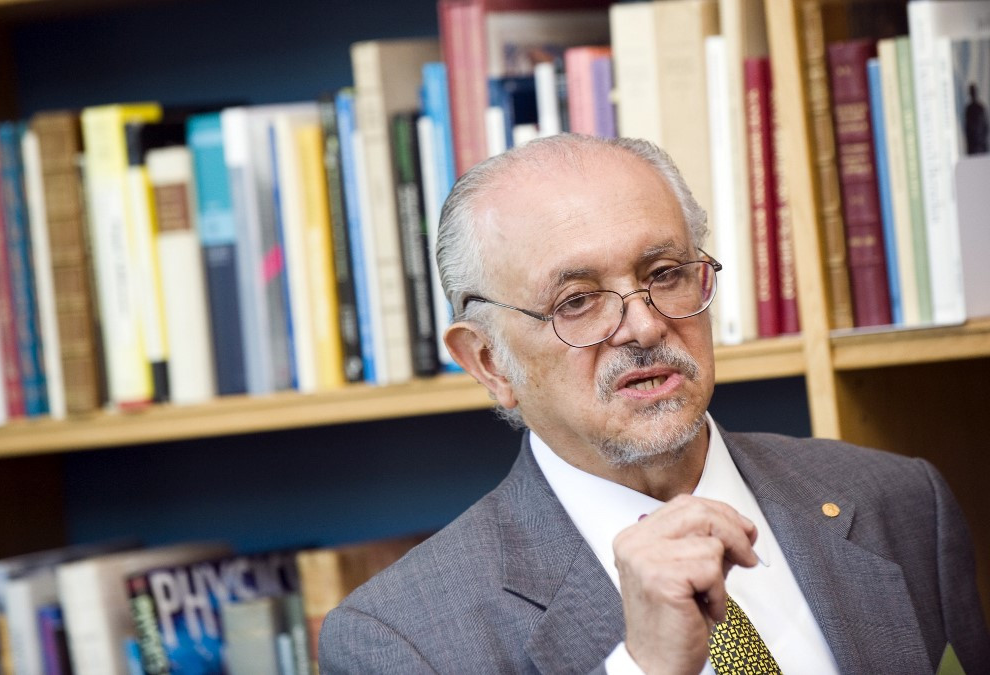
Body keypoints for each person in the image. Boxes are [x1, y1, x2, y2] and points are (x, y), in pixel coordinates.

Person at [318, 134, 990, 673]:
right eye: (575, 301)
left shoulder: (900, 503)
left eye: (663, 275)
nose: (642, 326)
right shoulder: (401, 640)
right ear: (490, 361)